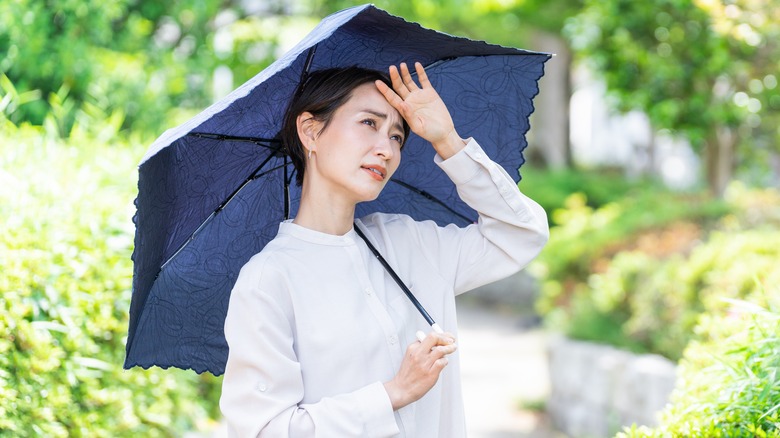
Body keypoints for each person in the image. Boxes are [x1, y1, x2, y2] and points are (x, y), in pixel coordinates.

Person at [219, 62, 549, 437]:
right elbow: (264, 431)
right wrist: (393, 393)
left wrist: (448, 141)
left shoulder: (411, 243)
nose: (387, 149)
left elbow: (522, 234)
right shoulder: (269, 279)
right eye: (369, 124)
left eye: (397, 136)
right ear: (311, 131)